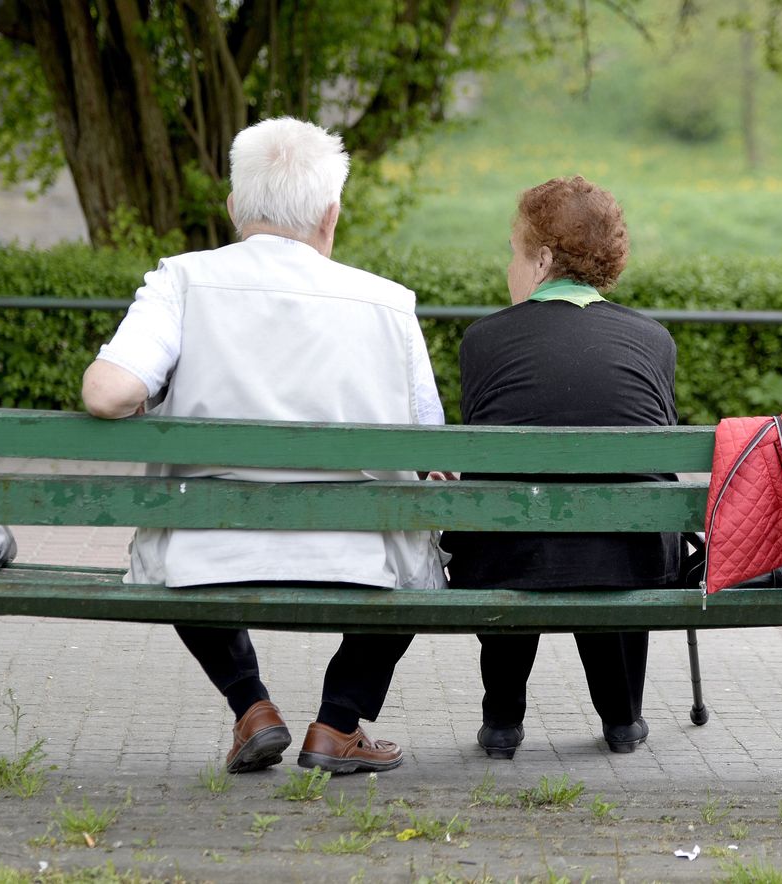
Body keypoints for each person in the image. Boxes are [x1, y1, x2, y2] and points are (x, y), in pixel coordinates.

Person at [81, 117, 446, 775]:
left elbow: (107, 393)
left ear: (232, 209)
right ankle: (337, 724)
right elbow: (434, 448)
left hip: (206, 551)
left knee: (175, 532)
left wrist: (143, 393)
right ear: (331, 215)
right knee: (419, 549)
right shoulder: (389, 304)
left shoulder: (181, 282)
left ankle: (252, 707)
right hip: (360, 557)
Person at [440, 176, 680, 759]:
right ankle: (623, 717)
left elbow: (486, 467)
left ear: (543, 258)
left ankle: (501, 720)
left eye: (514, 251)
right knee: (609, 537)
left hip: (505, 554)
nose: (509, 266)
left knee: (521, 532)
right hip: (630, 559)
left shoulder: (484, 340)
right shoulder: (653, 340)